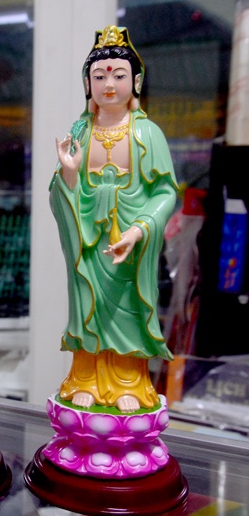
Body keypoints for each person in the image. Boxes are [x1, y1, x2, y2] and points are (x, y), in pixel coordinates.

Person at [51, 25, 178, 413]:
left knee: (128, 311)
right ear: (87, 84)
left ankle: (129, 382)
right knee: (88, 306)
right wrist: (69, 172)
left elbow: (165, 192)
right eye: (100, 76)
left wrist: (140, 230)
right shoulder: (80, 130)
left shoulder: (148, 134)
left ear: (136, 82)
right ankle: (85, 377)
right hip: (90, 240)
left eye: (119, 75)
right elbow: (62, 190)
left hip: (130, 246)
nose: (109, 84)